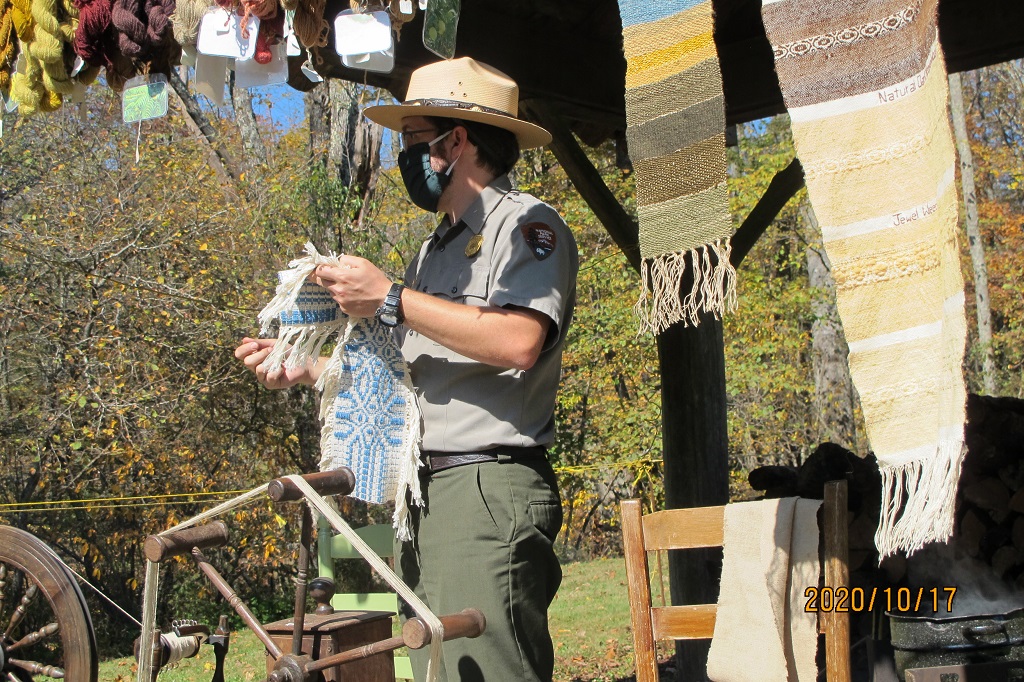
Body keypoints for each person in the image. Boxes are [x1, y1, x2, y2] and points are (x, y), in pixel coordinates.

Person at [234, 57, 578, 682]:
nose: (404, 155)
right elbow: (413, 377)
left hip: (485, 492)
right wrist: (308, 370)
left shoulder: (526, 225)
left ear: (458, 141)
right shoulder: (436, 246)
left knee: (484, 670)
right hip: (426, 495)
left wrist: (392, 297)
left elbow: (521, 341)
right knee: (437, 671)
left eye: (413, 138)